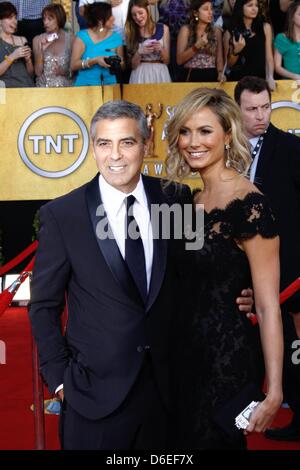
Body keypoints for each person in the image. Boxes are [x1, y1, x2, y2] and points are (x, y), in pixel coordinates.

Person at [29, 99, 254, 450]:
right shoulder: (64, 216)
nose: (115, 155)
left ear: (146, 145)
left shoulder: (174, 200)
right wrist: (60, 379)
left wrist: (240, 291)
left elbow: (198, 272)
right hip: (94, 397)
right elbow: (43, 304)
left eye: (127, 142)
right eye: (104, 143)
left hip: (167, 392)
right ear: (93, 149)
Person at [166, 87, 283, 449]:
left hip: (226, 360)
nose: (192, 142)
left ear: (227, 134)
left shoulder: (251, 205)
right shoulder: (188, 198)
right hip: (182, 355)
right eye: (184, 131)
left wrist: (274, 390)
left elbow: (266, 305)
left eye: (204, 131)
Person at [234, 75, 300, 441]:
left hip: (285, 267)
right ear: (237, 109)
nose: (260, 116)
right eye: (252, 109)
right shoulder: (226, 148)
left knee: (290, 343)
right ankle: (245, 406)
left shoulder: (290, 149)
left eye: (265, 107)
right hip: (239, 264)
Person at [223, 0, 275, 90]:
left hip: (260, 80)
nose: (254, 8)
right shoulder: (230, 32)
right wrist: (236, 52)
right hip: (238, 82)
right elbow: (228, 65)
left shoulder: (265, 27)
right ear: (241, 7)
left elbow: (269, 58)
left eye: (256, 5)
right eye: (250, 5)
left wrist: (270, 76)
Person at [71, 2, 125, 86]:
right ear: (100, 20)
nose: (113, 18)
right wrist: (95, 60)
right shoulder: (82, 37)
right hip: (85, 87)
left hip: (110, 86)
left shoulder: (116, 37)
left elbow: (122, 65)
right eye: (110, 16)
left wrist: (116, 62)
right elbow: (73, 65)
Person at [176, 0, 225, 82]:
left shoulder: (216, 31)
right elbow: (179, 60)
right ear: (196, 13)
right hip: (191, 74)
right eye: (206, 9)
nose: (210, 12)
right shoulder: (186, 30)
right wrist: (196, 47)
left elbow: (219, 58)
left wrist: (220, 73)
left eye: (211, 9)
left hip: (211, 75)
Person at [125, 0, 171, 84]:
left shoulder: (164, 28)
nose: (138, 17)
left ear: (148, 10)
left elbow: (167, 61)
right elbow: (133, 66)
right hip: (140, 74)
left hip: (160, 73)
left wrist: (161, 49)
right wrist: (139, 52)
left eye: (140, 13)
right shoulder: (131, 32)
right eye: (134, 15)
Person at [33, 3, 74, 88]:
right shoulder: (37, 39)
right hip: (44, 89)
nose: (46, 22)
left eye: (50, 19)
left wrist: (64, 72)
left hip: (66, 89)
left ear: (59, 19)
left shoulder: (71, 38)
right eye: (44, 19)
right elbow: (37, 72)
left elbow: (77, 70)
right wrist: (41, 50)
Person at [0, 1, 34, 87]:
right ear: (0, 21)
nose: (14, 21)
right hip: (8, 90)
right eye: (10, 18)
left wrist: (28, 60)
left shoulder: (22, 40)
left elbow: (30, 73)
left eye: (15, 18)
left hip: (27, 87)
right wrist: (13, 56)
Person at [274, 1, 300, 80]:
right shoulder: (281, 38)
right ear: (292, 16)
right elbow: (277, 67)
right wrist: (296, 76)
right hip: (289, 84)